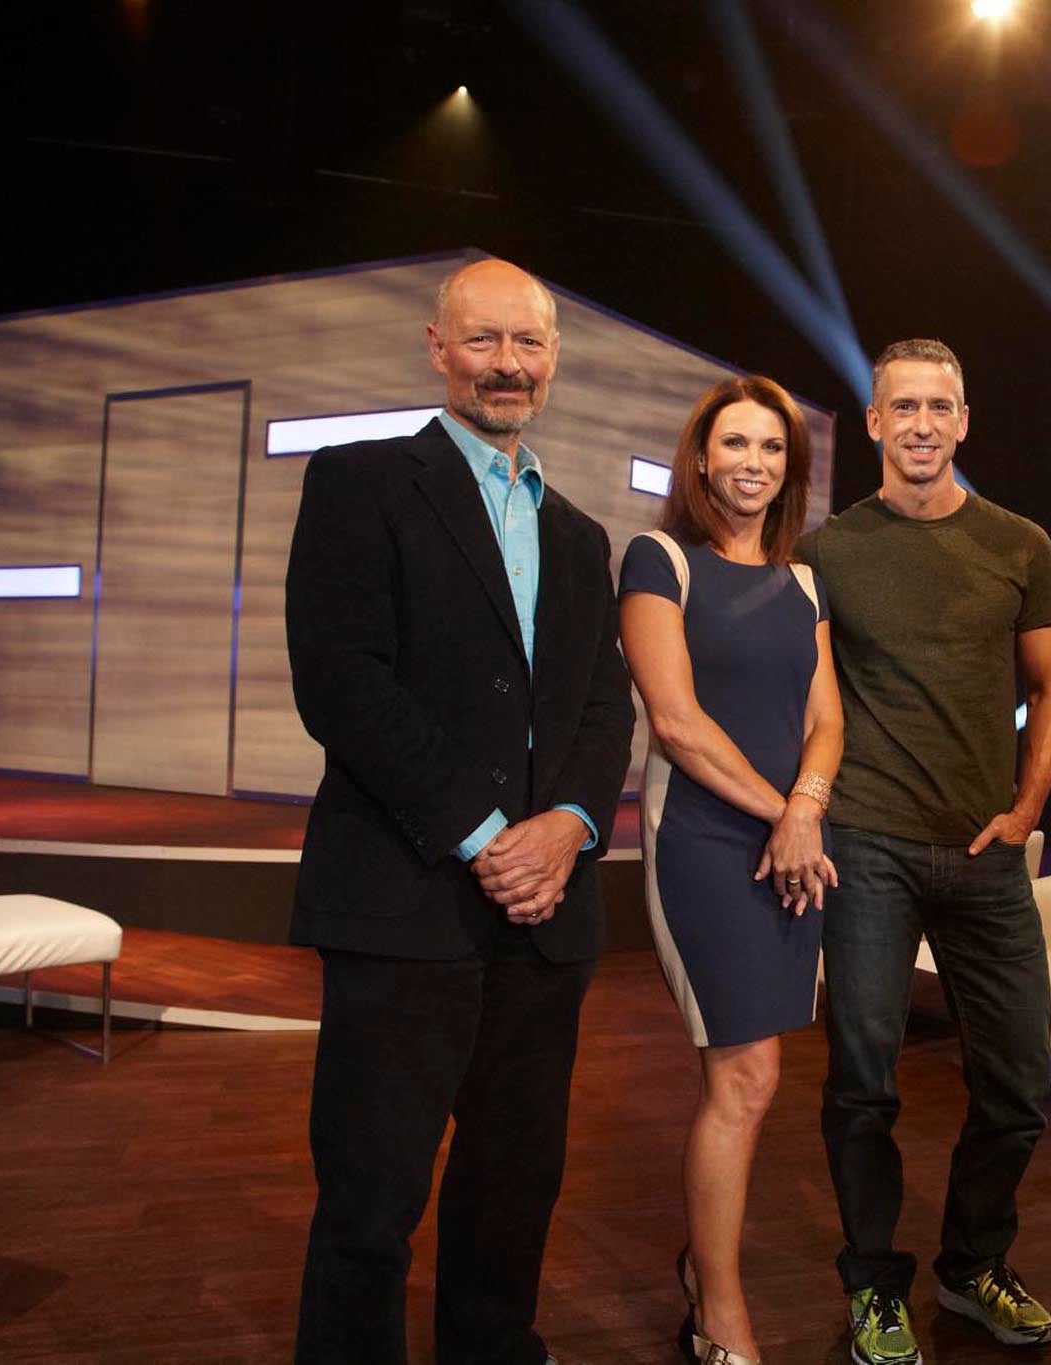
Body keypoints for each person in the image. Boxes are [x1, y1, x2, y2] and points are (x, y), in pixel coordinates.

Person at [286, 257, 634, 1365]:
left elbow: (599, 710)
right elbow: (341, 683)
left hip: (546, 921)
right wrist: (492, 839)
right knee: (370, 1204)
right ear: (437, 347)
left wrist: (571, 825)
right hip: (406, 899)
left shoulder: (583, 538)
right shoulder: (357, 483)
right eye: (483, 341)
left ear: (554, 357)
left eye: (527, 343)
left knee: (511, 1190)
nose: (507, 366)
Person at [796, 339, 1051, 1365]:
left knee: (1015, 1084)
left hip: (985, 852)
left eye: (938, 407)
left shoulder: (1018, 544)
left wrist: (1024, 808)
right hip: (866, 846)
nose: (919, 423)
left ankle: (971, 1267)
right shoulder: (828, 552)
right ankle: (874, 1287)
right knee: (861, 1084)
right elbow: (813, 701)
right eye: (900, 406)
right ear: (872, 423)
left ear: (963, 422)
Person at [619, 375, 844, 1365]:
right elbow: (675, 724)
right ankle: (718, 1310)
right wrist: (781, 817)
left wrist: (803, 811)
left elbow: (827, 719)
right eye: (736, 444)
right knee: (742, 1074)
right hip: (703, 842)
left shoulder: (803, 583)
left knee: (759, 1076)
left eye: (772, 449)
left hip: (788, 839)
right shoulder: (658, 558)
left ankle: (702, 1277)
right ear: (700, 458)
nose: (753, 462)